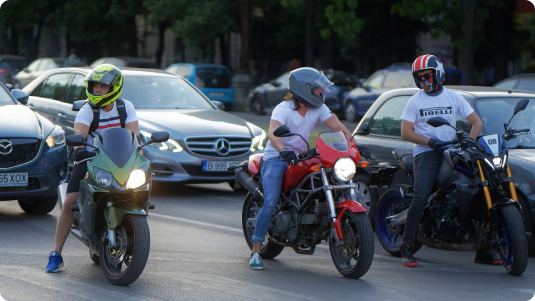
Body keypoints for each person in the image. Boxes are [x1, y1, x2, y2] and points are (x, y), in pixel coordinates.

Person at [249, 67, 364, 270]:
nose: (323, 92)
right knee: (271, 201)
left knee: (330, 176)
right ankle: (256, 251)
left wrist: (353, 144)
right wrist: (283, 151)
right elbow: (273, 134)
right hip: (277, 157)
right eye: (319, 89)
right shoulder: (283, 109)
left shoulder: (318, 108)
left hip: (303, 156)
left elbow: (337, 127)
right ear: (306, 89)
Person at [399, 54, 501, 268]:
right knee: (421, 194)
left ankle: (483, 248)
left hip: (453, 151)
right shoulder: (415, 101)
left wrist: (470, 143)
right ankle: (407, 245)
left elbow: (477, 123)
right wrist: (430, 141)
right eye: (419, 78)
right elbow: (406, 132)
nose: (423, 81)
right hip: (426, 153)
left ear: (438, 74)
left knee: (477, 189)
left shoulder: (453, 97)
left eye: (426, 76)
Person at [45, 64, 139, 272]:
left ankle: (135, 236)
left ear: (114, 87)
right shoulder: (88, 109)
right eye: (95, 86)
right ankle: (56, 254)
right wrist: (80, 148)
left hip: (119, 161)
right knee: (69, 203)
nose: (97, 90)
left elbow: (133, 136)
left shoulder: (126, 107)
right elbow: (80, 132)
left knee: (139, 191)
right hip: (91, 159)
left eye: (102, 86)